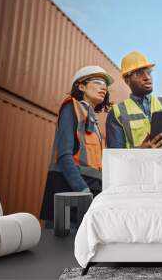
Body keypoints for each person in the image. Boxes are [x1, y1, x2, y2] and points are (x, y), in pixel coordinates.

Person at [40, 65, 113, 225]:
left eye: (105, 85)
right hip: (70, 189)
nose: (103, 87)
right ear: (81, 86)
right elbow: (64, 155)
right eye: (98, 82)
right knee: (62, 247)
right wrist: (82, 190)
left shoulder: (93, 120)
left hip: (90, 189)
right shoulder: (70, 107)